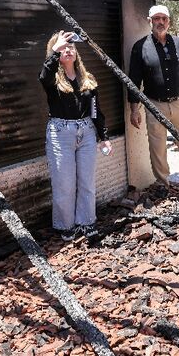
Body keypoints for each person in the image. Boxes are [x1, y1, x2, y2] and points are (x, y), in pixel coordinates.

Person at [40, 30, 112, 241]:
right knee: (64, 183)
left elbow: (96, 110)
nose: (68, 50)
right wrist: (55, 50)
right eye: (63, 47)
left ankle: (86, 221)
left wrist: (103, 136)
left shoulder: (87, 79)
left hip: (86, 132)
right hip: (61, 134)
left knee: (87, 182)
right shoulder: (51, 79)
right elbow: (43, 75)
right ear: (55, 52)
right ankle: (66, 225)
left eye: (70, 46)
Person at [127, 4, 179, 186]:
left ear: (168, 22)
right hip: (154, 105)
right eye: (156, 19)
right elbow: (134, 80)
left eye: (164, 18)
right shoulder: (140, 47)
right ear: (150, 21)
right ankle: (164, 185)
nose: (160, 22)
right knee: (158, 148)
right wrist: (134, 110)